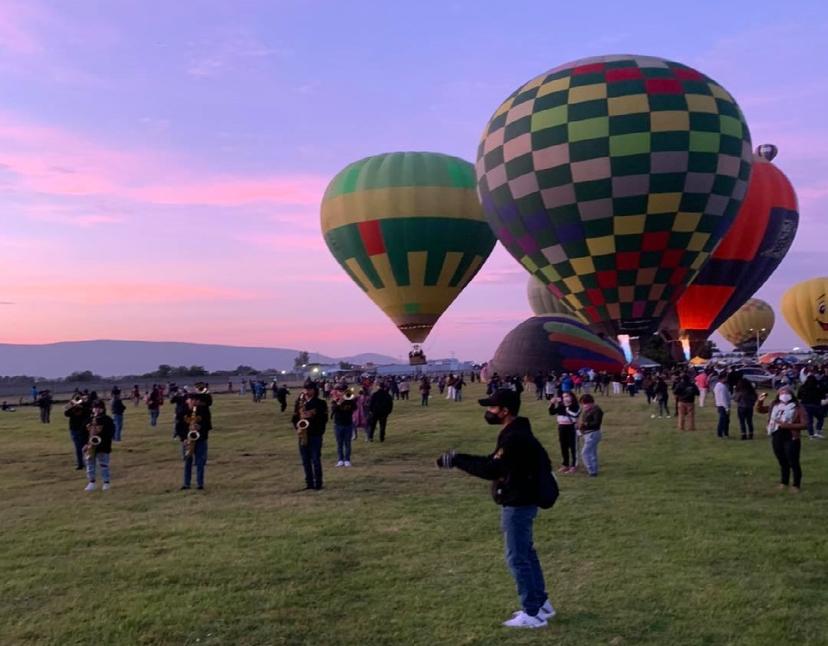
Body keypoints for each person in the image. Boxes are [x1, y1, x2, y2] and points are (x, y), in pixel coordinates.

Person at [435, 388, 557, 629]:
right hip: (523, 500)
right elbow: (494, 460)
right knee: (526, 554)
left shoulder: (515, 438)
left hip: (519, 503)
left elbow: (492, 470)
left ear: (505, 411)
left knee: (517, 558)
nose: (488, 412)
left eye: (492, 407)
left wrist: (458, 461)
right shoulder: (515, 433)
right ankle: (541, 604)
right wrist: (459, 458)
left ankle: (532, 614)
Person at [757, 386, 806, 493]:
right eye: (781, 393)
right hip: (776, 434)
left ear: (791, 394)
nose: (784, 395)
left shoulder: (797, 407)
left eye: (786, 392)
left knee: (793, 461)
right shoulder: (775, 405)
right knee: (782, 461)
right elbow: (760, 410)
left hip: (791, 436)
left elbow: (804, 424)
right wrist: (760, 401)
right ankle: (784, 482)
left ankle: (796, 485)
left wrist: (788, 426)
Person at [292, 382, 328, 490]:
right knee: (305, 460)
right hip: (303, 435)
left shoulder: (320, 403)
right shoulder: (299, 403)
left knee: (316, 459)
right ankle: (309, 483)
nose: (307, 391)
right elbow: (294, 418)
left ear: (314, 390)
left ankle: (318, 483)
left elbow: (324, 419)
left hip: (315, 434)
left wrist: (310, 418)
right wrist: (298, 428)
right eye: (306, 389)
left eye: (309, 389)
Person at [176, 387, 213, 490]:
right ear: (188, 400)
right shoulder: (182, 411)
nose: (194, 402)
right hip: (187, 440)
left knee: (200, 462)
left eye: (196, 400)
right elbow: (179, 426)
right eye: (192, 400)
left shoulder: (204, 410)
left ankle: (200, 484)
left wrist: (200, 427)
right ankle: (186, 484)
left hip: (201, 439)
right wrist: (183, 438)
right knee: (187, 461)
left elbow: (208, 425)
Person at [82, 399, 116, 491]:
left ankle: (106, 482)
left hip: (103, 446)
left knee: (104, 465)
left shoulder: (107, 419)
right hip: (90, 446)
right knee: (90, 464)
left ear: (103, 409)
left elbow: (111, 432)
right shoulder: (88, 420)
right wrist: (85, 444)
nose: (97, 409)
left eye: (99, 407)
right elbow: (83, 432)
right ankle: (91, 482)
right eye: (95, 407)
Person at [549, 391, 580, 473]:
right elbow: (551, 412)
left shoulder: (575, 406)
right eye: (563, 396)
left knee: (573, 447)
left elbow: (575, 414)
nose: (565, 398)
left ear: (571, 397)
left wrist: (567, 407)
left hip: (571, 427)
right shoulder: (561, 405)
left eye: (566, 396)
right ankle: (565, 464)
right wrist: (552, 403)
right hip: (562, 427)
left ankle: (574, 465)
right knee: (563, 446)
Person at [578, 394, 604, 477]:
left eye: (585, 403)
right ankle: (594, 471)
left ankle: (591, 470)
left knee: (585, 453)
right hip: (587, 433)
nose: (583, 405)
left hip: (593, 433)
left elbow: (596, 423)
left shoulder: (597, 410)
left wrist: (585, 424)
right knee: (592, 452)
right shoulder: (587, 410)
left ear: (591, 402)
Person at [330, 384, 356, 467]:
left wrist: (351, 400)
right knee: (339, 443)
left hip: (348, 424)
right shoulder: (335, 400)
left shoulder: (350, 399)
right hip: (338, 424)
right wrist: (338, 403)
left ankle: (347, 460)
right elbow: (333, 409)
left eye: (342, 391)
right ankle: (340, 460)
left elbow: (355, 408)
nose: (341, 393)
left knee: (347, 443)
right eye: (339, 391)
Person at [64, 394, 91, 470]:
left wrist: (81, 406)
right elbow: (66, 414)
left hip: (84, 429)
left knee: (85, 446)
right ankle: (80, 464)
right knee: (77, 447)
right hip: (74, 429)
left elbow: (89, 412)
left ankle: (88, 462)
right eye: (76, 399)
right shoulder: (72, 407)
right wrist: (71, 406)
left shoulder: (85, 405)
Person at [797, 375, 826, 439]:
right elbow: (823, 396)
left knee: (809, 421)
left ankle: (811, 435)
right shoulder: (818, 387)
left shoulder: (802, 387)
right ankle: (818, 431)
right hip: (816, 405)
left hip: (805, 405)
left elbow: (799, 397)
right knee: (820, 418)